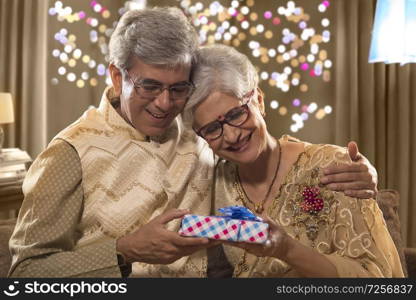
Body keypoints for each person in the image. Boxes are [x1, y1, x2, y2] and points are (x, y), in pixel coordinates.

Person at [8, 7, 377, 278]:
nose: (165, 104)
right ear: (118, 77)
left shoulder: (199, 127)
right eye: (149, 86)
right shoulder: (69, 153)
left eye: (178, 88)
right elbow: (26, 272)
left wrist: (362, 172)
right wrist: (123, 251)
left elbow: (266, 158)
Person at [185, 44, 404, 277]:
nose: (231, 135)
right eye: (211, 129)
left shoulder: (334, 167)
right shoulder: (214, 183)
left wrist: (286, 249)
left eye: (236, 114)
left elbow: (374, 276)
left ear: (258, 100)